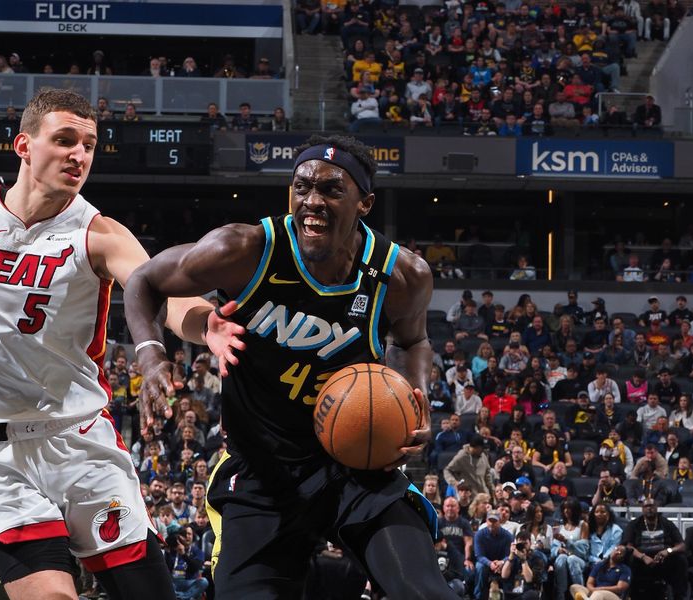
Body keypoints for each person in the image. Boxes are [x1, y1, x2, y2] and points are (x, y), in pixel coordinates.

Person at [0, 89, 242, 600]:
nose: (78, 155)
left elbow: (159, 292)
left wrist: (205, 325)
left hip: (81, 439)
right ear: (24, 145)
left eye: (88, 144)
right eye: (63, 140)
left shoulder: (98, 232)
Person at [123, 134, 457, 600]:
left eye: (331, 190)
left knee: (423, 591)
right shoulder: (244, 248)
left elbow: (413, 339)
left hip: (354, 464)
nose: (312, 201)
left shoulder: (402, 275)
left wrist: (412, 396)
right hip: (262, 470)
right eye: (301, 188)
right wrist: (151, 354)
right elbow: (144, 280)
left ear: (364, 203)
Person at [621, 498, 688, 600]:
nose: (649, 509)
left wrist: (668, 551)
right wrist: (643, 557)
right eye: (646, 506)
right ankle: (631, 595)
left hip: (664, 559)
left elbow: (681, 545)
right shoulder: (634, 524)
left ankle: (679, 596)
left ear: (656, 508)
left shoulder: (666, 523)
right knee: (628, 557)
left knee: (681, 559)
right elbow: (628, 546)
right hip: (641, 560)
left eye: (652, 506)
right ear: (642, 509)